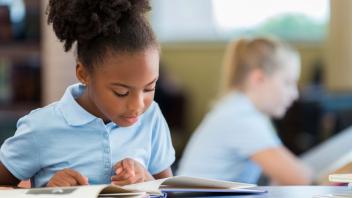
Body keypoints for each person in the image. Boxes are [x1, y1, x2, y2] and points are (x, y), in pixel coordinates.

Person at [0, 0, 175, 188]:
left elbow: (168, 188)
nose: (138, 106)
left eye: (149, 88)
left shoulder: (152, 117)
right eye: (121, 92)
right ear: (83, 74)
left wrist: (146, 179)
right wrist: (45, 192)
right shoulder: (40, 128)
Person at [177, 37, 312, 185]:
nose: (294, 94)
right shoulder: (241, 118)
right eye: (287, 83)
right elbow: (300, 178)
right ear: (258, 79)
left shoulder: (239, 109)